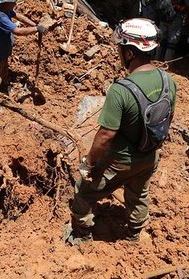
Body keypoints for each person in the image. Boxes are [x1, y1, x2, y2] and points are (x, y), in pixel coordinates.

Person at [65, 19, 177, 244]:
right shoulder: (168, 81)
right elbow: (167, 118)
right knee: (139, 193)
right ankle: (135, 233)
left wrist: (89, 163)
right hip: (149, 156)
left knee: (84, 191)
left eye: (119, 49)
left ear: (129, 53)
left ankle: (82, 235)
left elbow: (105, 136)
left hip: (120, 161)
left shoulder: (121, 90)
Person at [0, 0, 47, 98]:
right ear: (5, 2)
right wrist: (36, 29)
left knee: (3, 72)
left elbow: (20, 17)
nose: (15, 3)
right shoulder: (0, 16)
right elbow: (17, 31)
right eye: (13, 2)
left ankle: (3, 90)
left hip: (2, 51)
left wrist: (35, 25)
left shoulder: (5, 9)